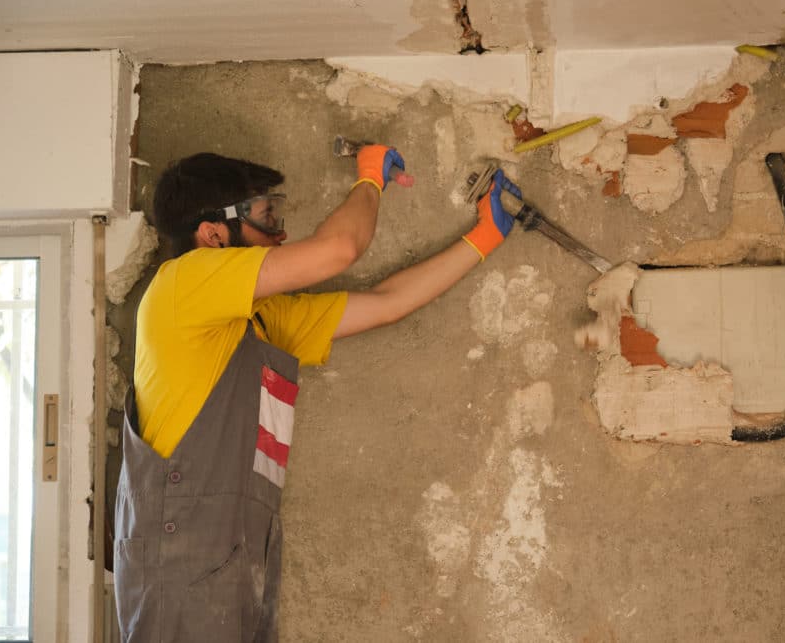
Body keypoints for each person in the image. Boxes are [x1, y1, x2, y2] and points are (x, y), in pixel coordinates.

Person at [114, 145, 521, 642]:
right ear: (213, 234)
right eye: (266, 217)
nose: (280, 233)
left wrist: (484, 236)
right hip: (185, 568)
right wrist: (369, 177)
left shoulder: (257, 322)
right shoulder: (182, 283)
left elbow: (386, 303)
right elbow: (338, 250)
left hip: (233, 559)